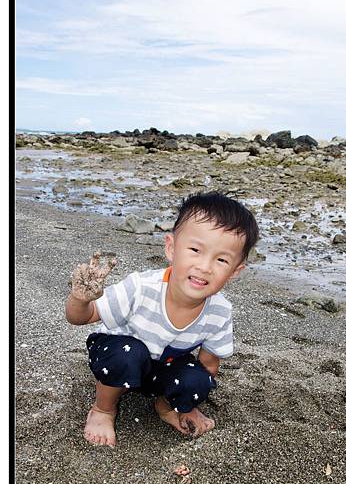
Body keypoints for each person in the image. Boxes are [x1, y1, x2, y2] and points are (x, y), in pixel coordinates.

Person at [65, 191, 259, 447]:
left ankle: (165, 407)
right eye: (195, 250)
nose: (205, 266)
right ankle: (103, 408)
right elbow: (81, 317)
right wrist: (80, 299)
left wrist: (188, 399)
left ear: (235, 271)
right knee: (127, 354)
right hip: (118, 358)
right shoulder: (141, 287)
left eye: (221, 259)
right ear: (171, 248)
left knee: (199, 379)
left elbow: (209, 365)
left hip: (162, 370)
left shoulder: (219, 311)